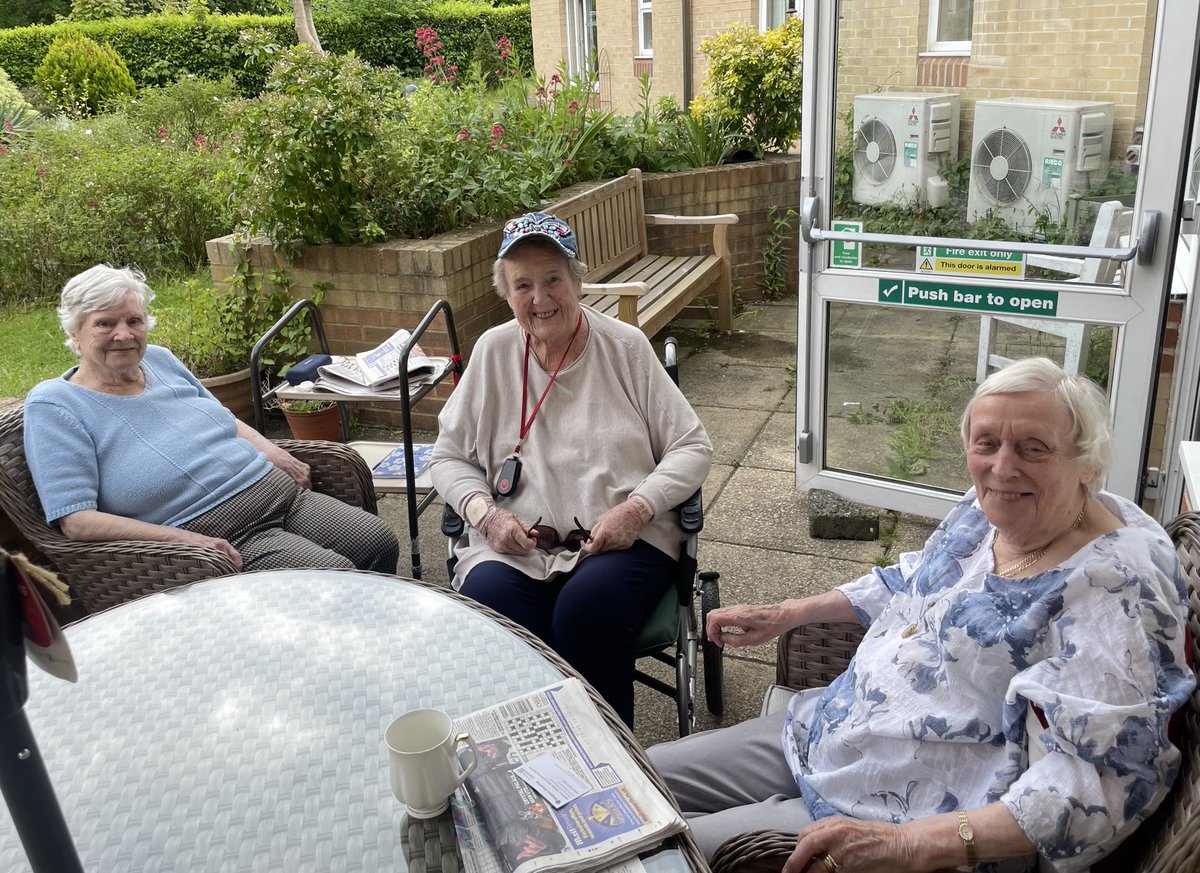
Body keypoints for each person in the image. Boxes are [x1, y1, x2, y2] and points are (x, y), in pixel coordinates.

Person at [648, 357, 1194, 873]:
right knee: (633, 780)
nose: (1002, 466)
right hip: (829, 730)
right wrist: (787, 613)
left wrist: (909, 845)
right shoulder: (992, 509)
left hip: (897, 811)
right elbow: (911, 578)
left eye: (1034, 448)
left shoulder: (1116, 589)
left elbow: (1101, 785)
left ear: (1087, 464)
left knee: (650, 849)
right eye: (987, 443)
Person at [430, 212, 712, 726]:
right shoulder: (493, 352)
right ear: (507, 293)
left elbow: (692, 447)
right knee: (488, 610)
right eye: (523, 285)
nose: (540, 299)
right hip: (516, 545)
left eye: (553, 279)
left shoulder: (625, 347)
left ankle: (610, 768)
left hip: (621, 540)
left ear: (577, 281)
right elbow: (448, 457)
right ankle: (523, 755)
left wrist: (637, 508)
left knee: (585, 610)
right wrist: (485, 515)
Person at [24, 265, 400, 575]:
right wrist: (185, 541)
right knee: (335, 577)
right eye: (104, 324)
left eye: (134, 320)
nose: (124, 334)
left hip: (280, 495)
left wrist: (273, 451)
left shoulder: (159, 359)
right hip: (221, 532)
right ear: (74, 332)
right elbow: (76, 521)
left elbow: (221, 417)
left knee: (377, 541)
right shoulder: (56, 405)